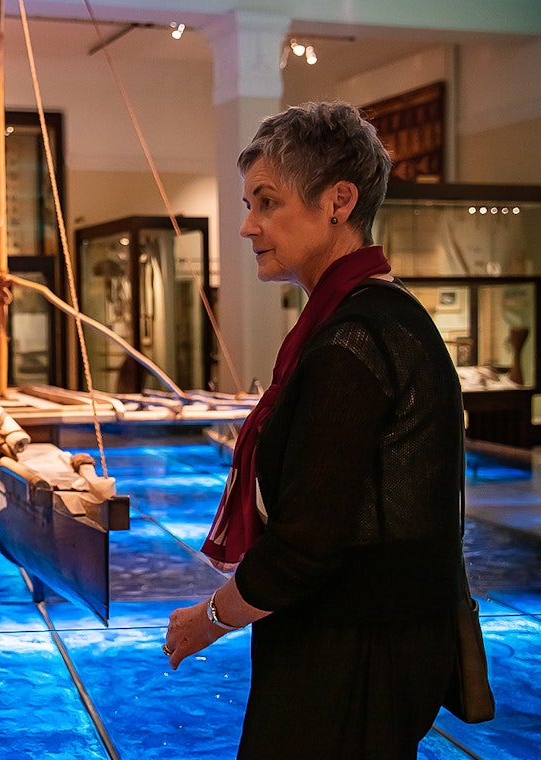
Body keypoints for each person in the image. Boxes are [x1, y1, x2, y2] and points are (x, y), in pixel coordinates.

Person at [163, 102, 466, 757]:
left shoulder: (351, 341)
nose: (247, 226)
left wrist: (207, 619)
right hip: (381, 641)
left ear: (338, 201)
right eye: (250, 203)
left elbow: (306, 543)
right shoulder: (375, 315)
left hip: (351, 653)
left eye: (266, 202)